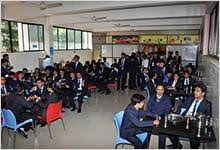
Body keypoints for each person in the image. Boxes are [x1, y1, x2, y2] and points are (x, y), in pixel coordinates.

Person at [168, 82, 212, 149]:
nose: (195, 92)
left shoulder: (207, 104)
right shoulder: (191, 98)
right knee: (170, 129)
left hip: (194, 124)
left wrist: (194, 118)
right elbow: (181, 106)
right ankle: (177, 145)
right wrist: (177, 116)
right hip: (183, 119)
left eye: (197, 91)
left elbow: (207, 118)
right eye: (195, 90)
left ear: (203, 93)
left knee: (194, 140)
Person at [145, 83, 172, 149]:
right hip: (151, 116)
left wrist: (160, 118)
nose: (160, 92)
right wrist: (154, 116)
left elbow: (167, 111)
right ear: (156, 90)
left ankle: (161, 148)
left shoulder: (167, 98)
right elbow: (148, 109)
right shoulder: (152, 97)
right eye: (158, 90)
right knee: (146, 130)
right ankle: (145, 146)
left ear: (164, 90)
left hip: (162, 117)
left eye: (161, 90)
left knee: (162, 133)